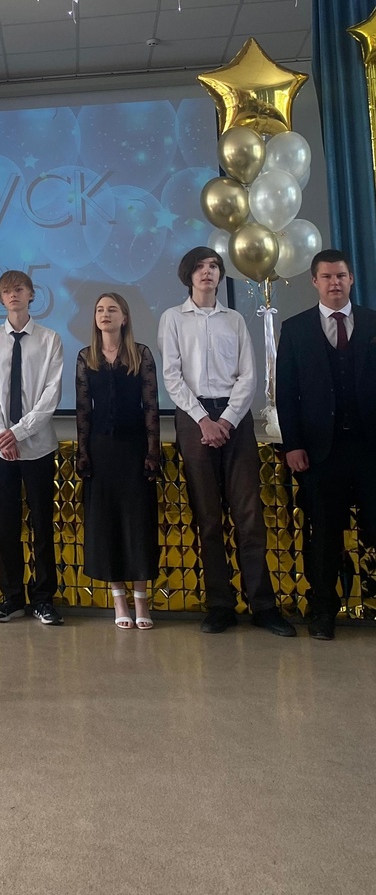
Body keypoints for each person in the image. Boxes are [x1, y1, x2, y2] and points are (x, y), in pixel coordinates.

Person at [159, 246, 294, 637]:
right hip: (194, 419)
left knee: (249, 516)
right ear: (188, 275)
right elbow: (172, 377)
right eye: (200, 267)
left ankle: (263, 605)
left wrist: (227, 420)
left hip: (235, 420)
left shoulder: (233, 319)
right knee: (208, 517)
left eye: (214, 266)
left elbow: (249, 376)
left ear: (220, 275)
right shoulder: (172, 318)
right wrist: (204, 420)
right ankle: (220, 605)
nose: (208, 272)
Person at [276, 250, 376, 640]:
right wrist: (292, 444)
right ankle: (322, 612)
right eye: (327, 276)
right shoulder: (296, 329)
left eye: (341, 276)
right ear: (314, 282)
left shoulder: (372, 322)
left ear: (351, 279)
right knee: (324, 537)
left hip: (369, 450)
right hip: (320, 452)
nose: (335, 282)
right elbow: (287, 393)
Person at [0, 270, 65, 626]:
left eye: (19, 289)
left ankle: (43, 599)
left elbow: (51, 395)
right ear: (0, 299)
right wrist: (3, 434)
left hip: (38, 446)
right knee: (5, 526)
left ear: (31, 294)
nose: (12, 295)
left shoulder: (50, 340)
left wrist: (18, 432)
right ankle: (12, 597)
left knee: (42, 525)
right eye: (6, 291)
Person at [75, 293, 161, 629]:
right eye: (100, 309)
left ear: (124, 317)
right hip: (101, 450)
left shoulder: (141, 354)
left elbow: (151, 406)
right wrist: (83, 453)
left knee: (137, 521)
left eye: (112, 309)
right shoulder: (86, 357)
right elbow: (84, 410)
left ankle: (141, 599)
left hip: (134, 448)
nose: (105, 314)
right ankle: (119, 600)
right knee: (106, 522)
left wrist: (152, 451)